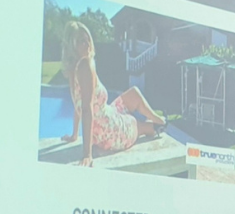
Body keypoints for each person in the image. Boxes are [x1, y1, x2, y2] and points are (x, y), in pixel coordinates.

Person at [60, 21, 166, 167]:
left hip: (105, 120)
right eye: (80, 41)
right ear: (71, 47)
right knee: (137, 124)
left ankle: (156, 119)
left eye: (87, 39)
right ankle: (155, 126)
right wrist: (87, 154)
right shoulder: (85, 64)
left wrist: (74, 135)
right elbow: (85, 109)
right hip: (109, 132)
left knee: (133, 93)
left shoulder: (73, 70)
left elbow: (78, 105)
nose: (87, 44)